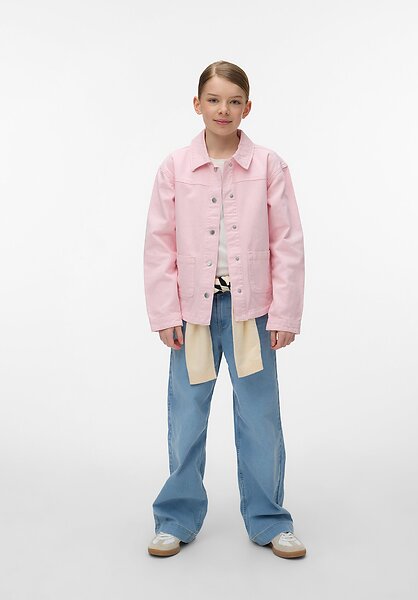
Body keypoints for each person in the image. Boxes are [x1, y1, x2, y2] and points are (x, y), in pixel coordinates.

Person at [144, 60, 306, 559]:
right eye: (214, 100)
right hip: (192, 314)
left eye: (234, 101)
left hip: (251, 314)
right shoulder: (175, 167)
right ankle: (175, 518)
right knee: (186, 417)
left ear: (247, 108)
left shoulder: (268, 166)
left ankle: (269, 519)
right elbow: (159, 243)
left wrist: (284, 315)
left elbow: (287, 242)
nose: (223, 109)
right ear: (197, 104)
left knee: (260, 418)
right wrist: (165, 313)